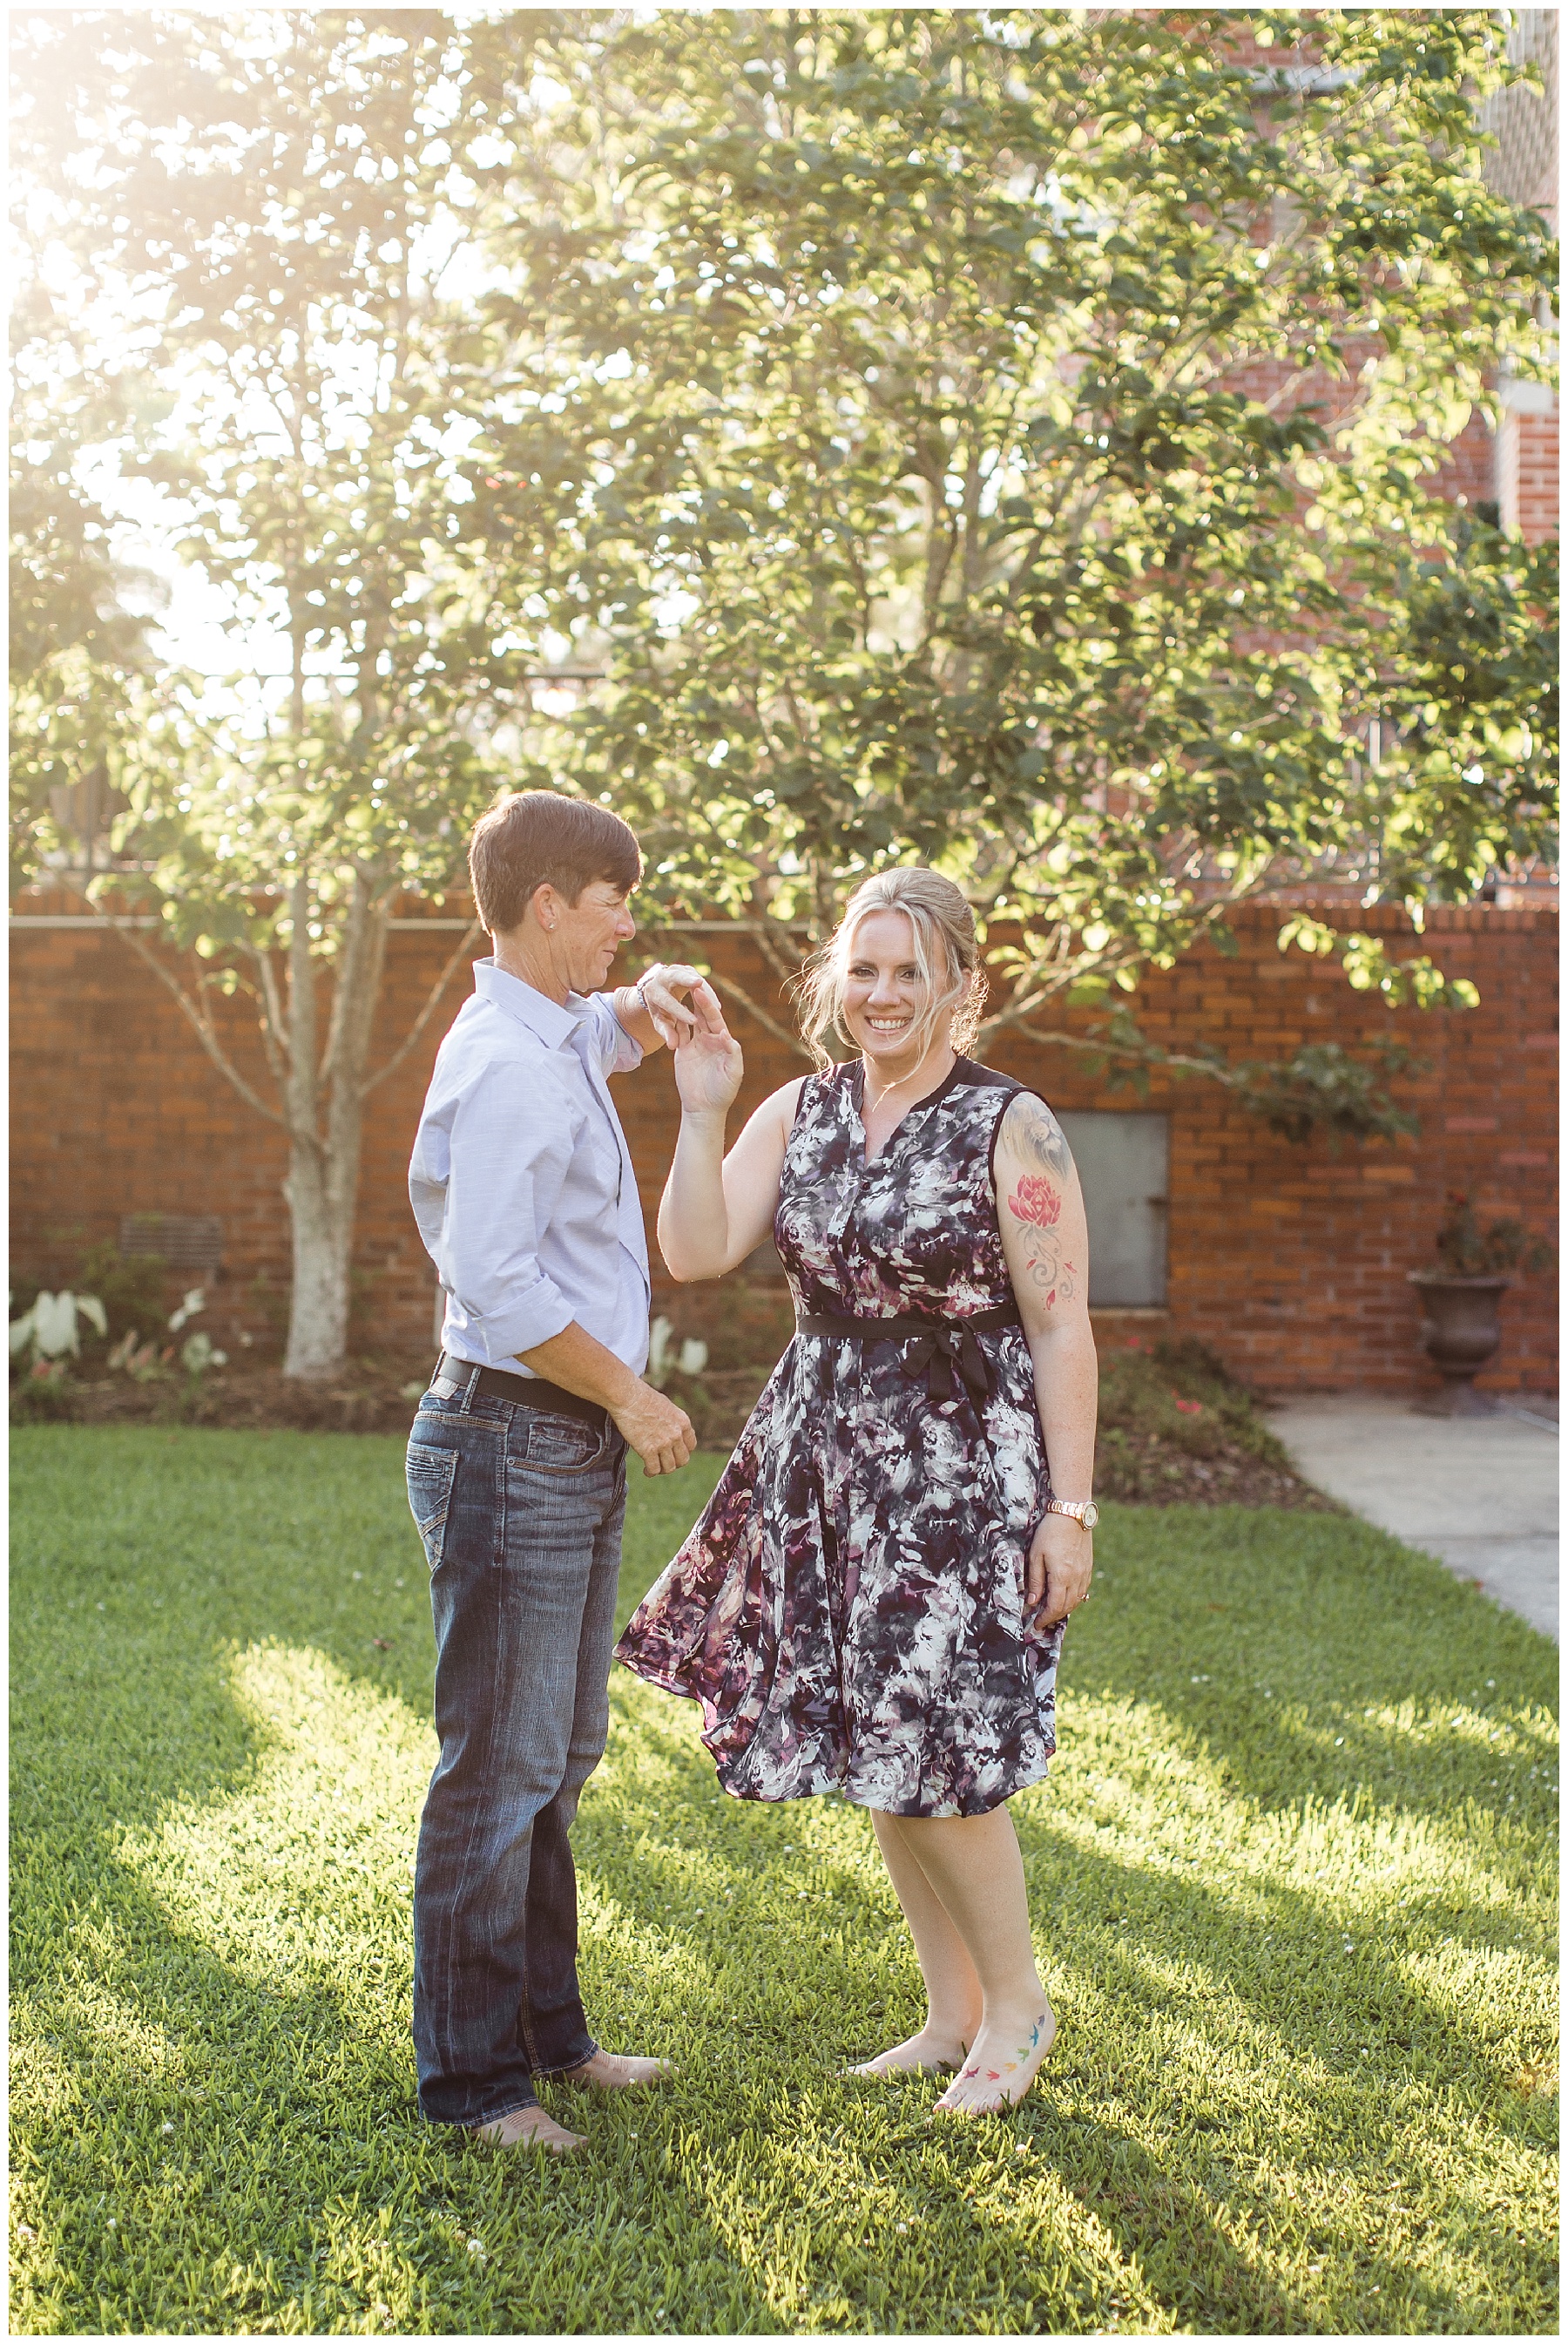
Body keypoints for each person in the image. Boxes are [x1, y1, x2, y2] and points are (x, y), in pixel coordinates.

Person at [615, 866, 1098, 2117]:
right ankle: (950, 2015)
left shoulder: (1012, 1124)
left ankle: (1019, 2002)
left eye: (909, 971)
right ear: (839, 980)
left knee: (931, 1743)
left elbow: (1061, 1328)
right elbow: (696, 1249)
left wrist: (1072, 1506)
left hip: (960, 1476)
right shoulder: (804, 1106)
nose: (882, 993)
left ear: (961, 987)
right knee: (872, 1739)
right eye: (864, 968)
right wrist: (703, 1106)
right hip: (825, 1462)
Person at [405, 789, 720, 2156]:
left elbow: (589, 1027)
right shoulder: (504, 1066)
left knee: (560, 1756)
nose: (628, 922)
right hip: (513, 1433)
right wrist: (634, 1392)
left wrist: (643, 1002)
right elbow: (496, 1280)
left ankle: (552, 2038)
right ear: (549, 905)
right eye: (613, 905)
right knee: (499, 1767)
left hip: (551, 1440)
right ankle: (478, 2087)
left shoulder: (549, 1029)